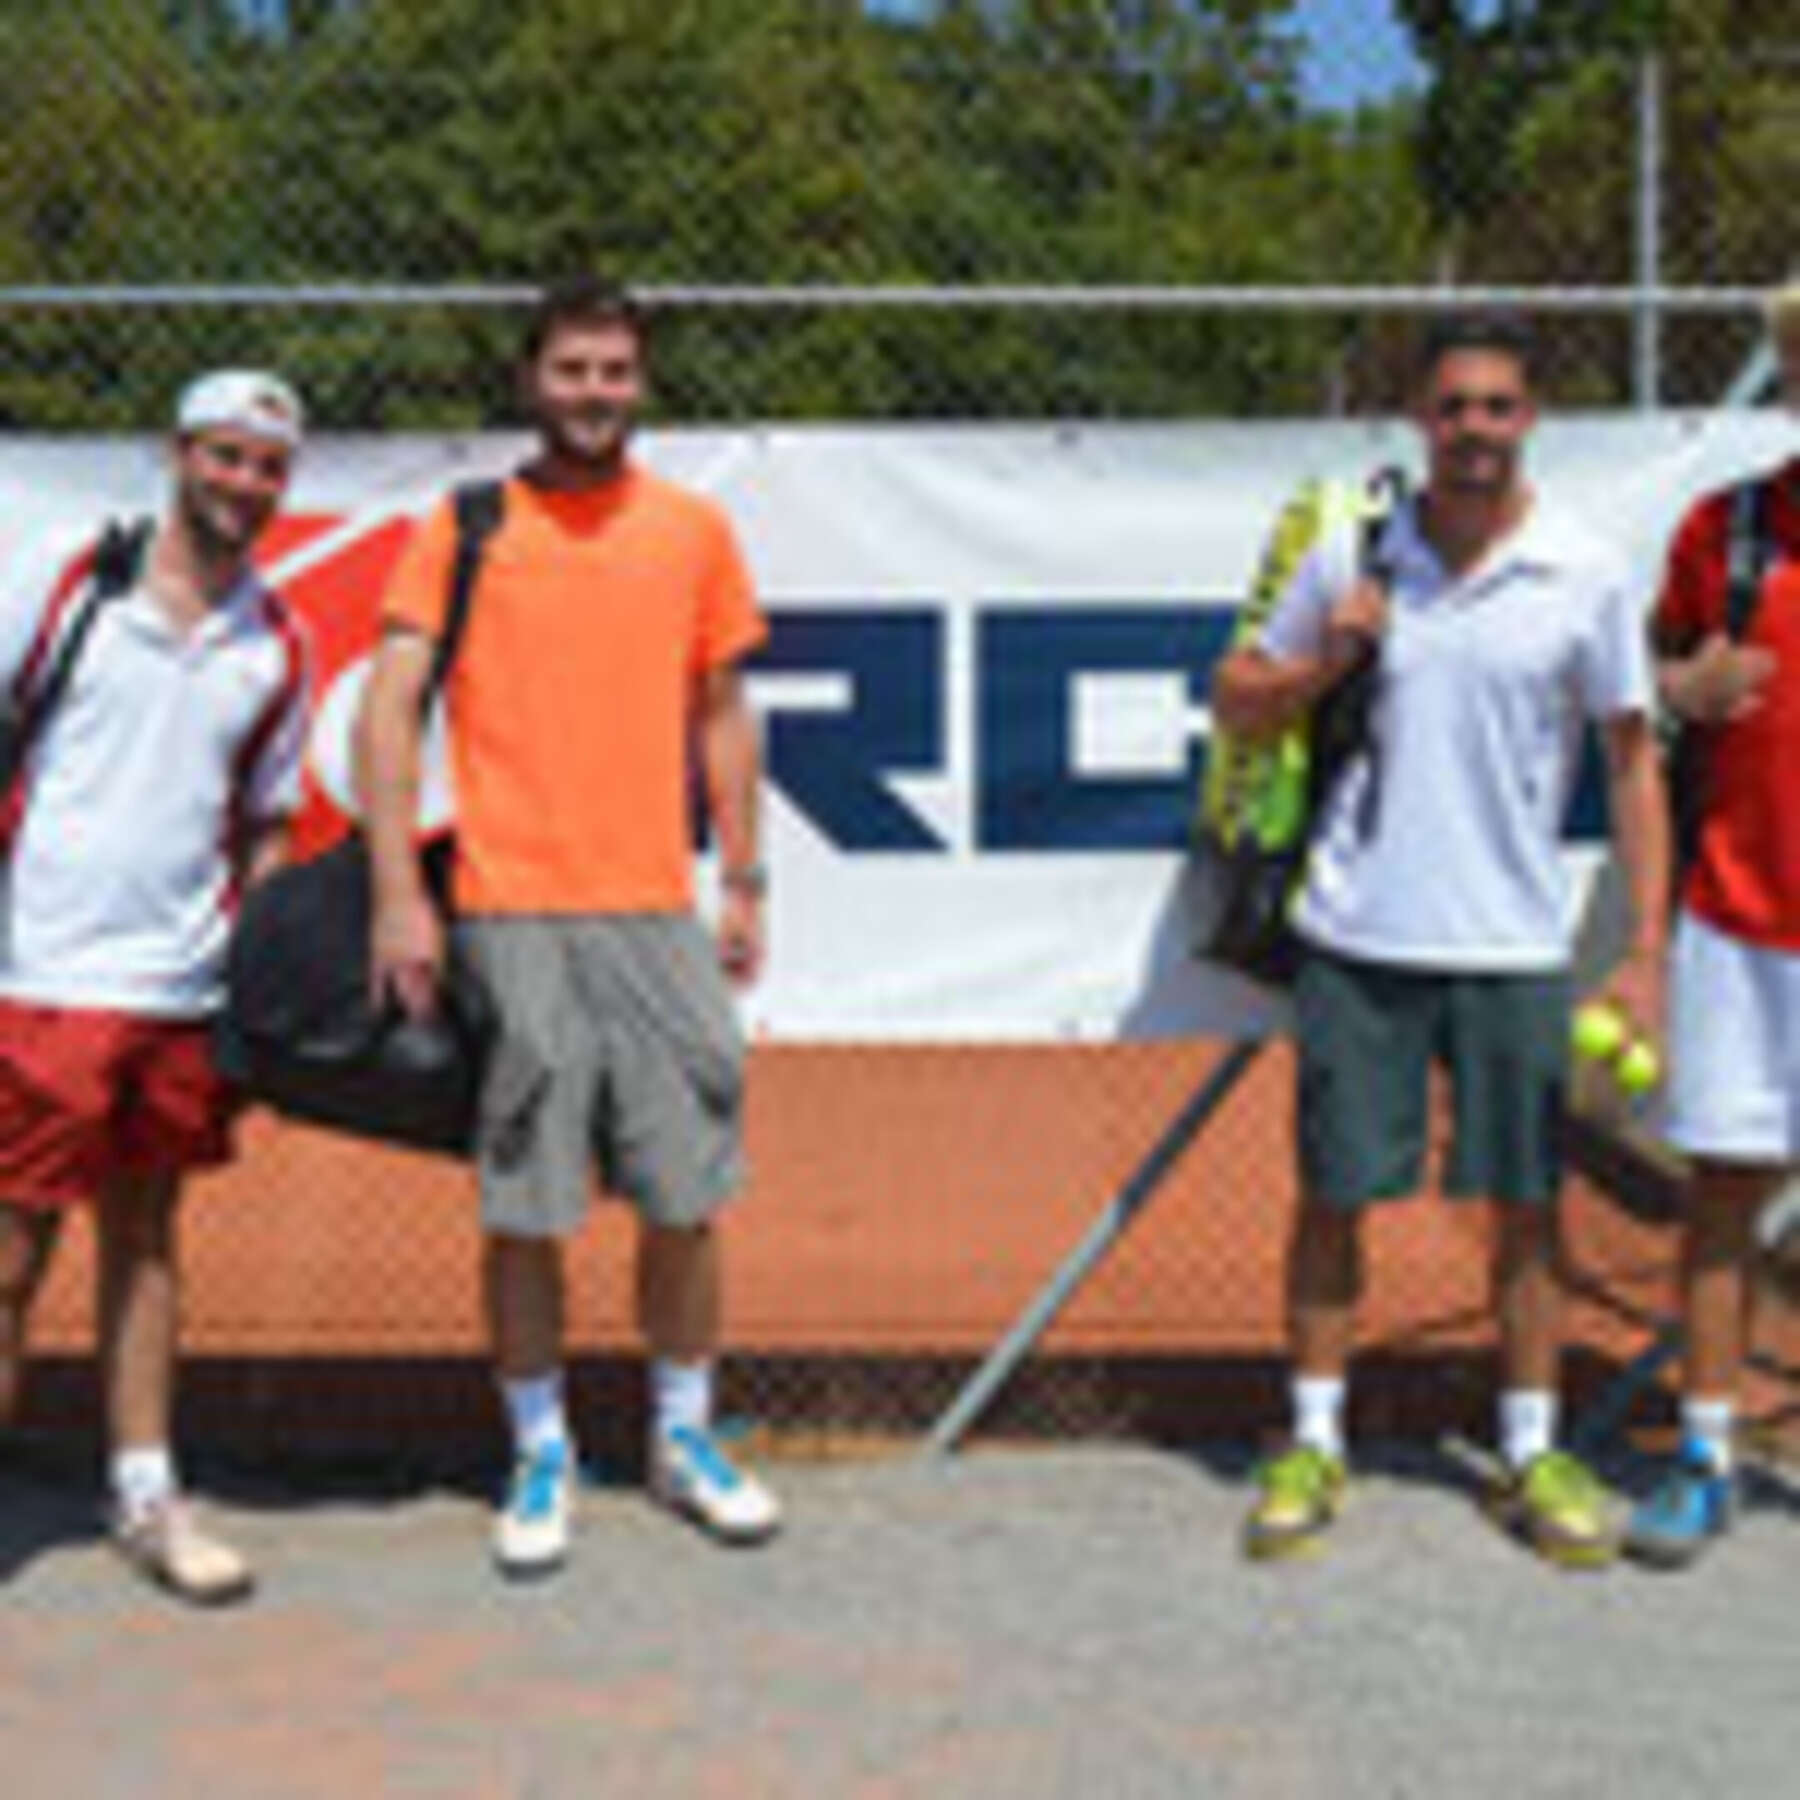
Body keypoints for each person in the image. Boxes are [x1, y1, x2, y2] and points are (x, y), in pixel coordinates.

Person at [1212, 313, 1668, 1567]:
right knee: (1335, 1197)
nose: (1475, 429)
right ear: (1420, 418)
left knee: (1527, 1208)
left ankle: (1529, 1450)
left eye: (1498, 406)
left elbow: (1634, 765)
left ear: (1532, 420)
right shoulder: (1356, 551)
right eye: (1454, 405)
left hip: (1514, 945)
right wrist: (1327, 659)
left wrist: (1645, 950)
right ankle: (1315, 1440)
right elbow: (1236, 701)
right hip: (1358, 938)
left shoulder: (1585, 570)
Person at [359, 276, 780, 1580]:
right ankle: (539, 1448)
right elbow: (389, 712)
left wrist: (745, 877)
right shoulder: (467, 526)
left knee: (686, 1196)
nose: (594, 393)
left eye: (614, 371)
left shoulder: (693, 531)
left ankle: (682, 1436)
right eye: (571, 370)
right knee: (529, 1208)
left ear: (639, 383)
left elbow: (722, 713)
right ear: (530, 380)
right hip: (512, 908)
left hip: (653, 909)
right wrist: (398, 893)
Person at [0, 370, 310, 1604]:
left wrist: (252, 968)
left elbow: (268, 822)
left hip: (180, 993)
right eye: (225, 455)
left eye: (268, 466)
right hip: (41, 980)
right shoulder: (67, 584)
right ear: (177, 454)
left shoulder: (277, 642)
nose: (244, 482)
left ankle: (144, 1493)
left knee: (146, 1243)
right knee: (10, 1256)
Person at [1626, 280, 1800, 1567]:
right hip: (1739, 921)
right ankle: (1703, 1455)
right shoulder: (1725, 532)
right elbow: (1636, 680)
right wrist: (1683, 684)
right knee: (1725, 1196)